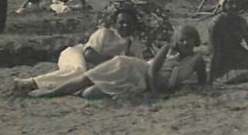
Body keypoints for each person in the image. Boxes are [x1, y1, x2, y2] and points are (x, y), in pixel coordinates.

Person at [26, 25, 207, 99]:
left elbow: (203, 81)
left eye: (189, 39)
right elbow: (152, 70)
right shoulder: (167, 50)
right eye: (182, 40)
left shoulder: (196, 60)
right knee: (86, 78)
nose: (185, 43)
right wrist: (155, 93)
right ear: (176, 41)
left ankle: (62, 92)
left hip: (142, 84)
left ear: (196, 40)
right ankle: (48, 93)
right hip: (133, 68)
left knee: (90, 94)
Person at [13, 8, 145, 95]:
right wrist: (114, 64)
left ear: (135, 25)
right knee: (79, 71)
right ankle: (30, 82)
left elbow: (136, 66)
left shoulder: (134, 44)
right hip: (76, 54)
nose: (125, 25)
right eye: (122, 22)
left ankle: (42, 88)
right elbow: (89, 54)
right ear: (115, 24)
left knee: (84, 80)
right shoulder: (104, 33)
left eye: (129, 22)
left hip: (94, 67)